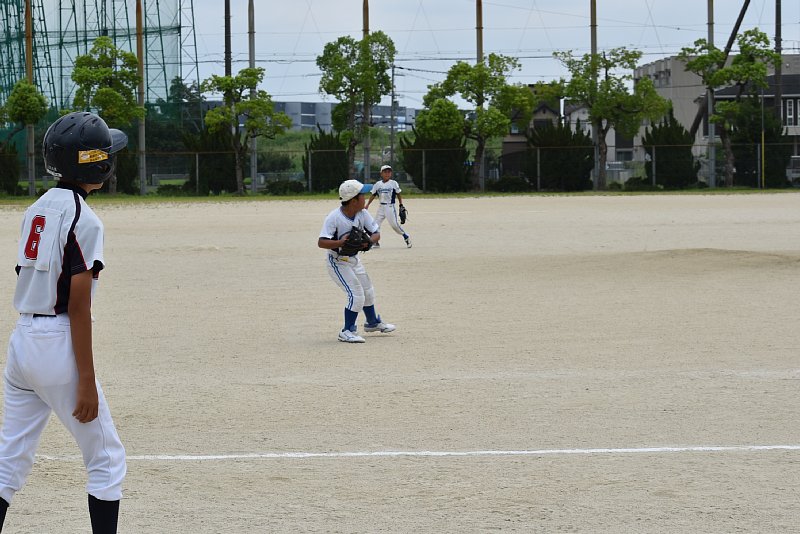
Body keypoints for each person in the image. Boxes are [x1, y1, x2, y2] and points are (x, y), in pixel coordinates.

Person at [0, 112, 127, 533]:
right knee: (107, 461)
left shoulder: (36, 208)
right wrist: (86, 380)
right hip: (56, 345)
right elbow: (77, 307)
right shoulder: (84, 219)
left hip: (22, 344)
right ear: (96, 166)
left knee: (8, 464)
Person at [318, 179, 397, 343]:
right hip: (337, 262)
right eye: (362, 195)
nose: (365, 197)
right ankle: (347, 331)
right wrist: (341, 243)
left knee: (368, 290)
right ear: (353, 200)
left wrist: (368, 242)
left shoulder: (362, 213)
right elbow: (322, 242)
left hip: (354, 259)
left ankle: (372, 322)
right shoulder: (334, 217)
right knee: (356, 294)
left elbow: (376, 234)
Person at [365, 165, 411, 248]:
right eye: (385, 172)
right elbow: (373, 195)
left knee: (394, 225)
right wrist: (367, 204)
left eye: (389, 172)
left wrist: (401, 204)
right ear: (381, 173)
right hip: (381, 207)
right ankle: (376, 243)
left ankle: (406, 236)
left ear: (391, 173)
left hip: (390, 207)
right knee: (375, 225)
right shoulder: (377, 184)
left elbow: (398, 194)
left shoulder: (393, 183)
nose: (387, 173)